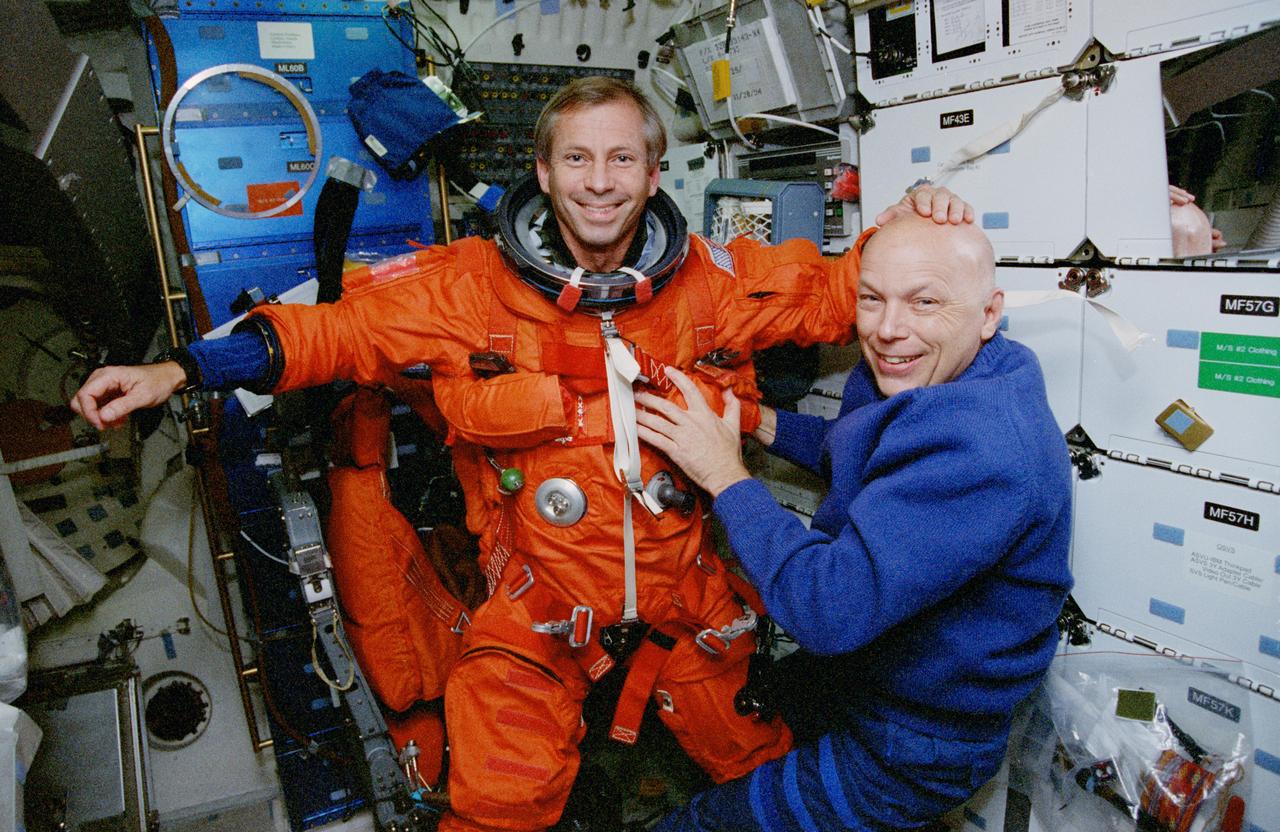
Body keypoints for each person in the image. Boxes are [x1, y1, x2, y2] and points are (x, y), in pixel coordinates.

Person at [71, 77, 972, 832]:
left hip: (686, 601)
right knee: (497, 807)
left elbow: (840, 292)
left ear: (654, 172)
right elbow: (331, 333)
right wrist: (179, 368)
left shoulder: (712, 284)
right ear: (542, 171)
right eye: (576, 159)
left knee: (764, 780)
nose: (599, 183)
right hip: (540, 611)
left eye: (622, 159)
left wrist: (916, 223)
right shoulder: (469, 289)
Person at [635, 214, 1073, 831]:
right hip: (869, 678)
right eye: (871, 299)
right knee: (737, 714)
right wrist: (753, 420)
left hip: (914, 741)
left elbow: (827, 607)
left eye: (924, 302)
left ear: (989, 313)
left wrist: (724, 474)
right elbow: (859, 449)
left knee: (707, 822)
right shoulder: (945, 369)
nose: (889, 330)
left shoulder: (984, 447)